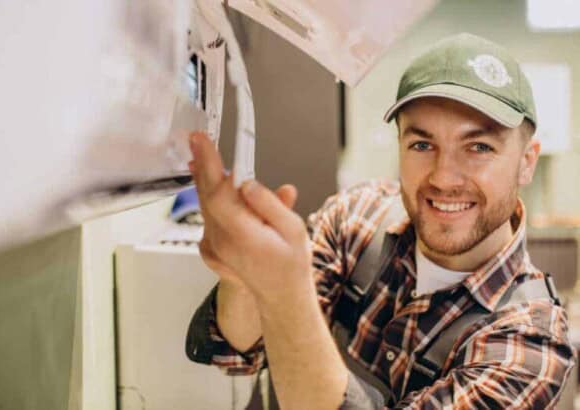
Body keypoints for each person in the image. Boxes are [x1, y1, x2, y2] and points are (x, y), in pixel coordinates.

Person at [184, 33, 576, 409]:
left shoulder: (530, 344)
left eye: (478, 147)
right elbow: (235, 351)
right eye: (422, 144)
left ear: (527, 161)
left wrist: (285, 292)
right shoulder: (357, 218)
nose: (443, 177)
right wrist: (244, 279)